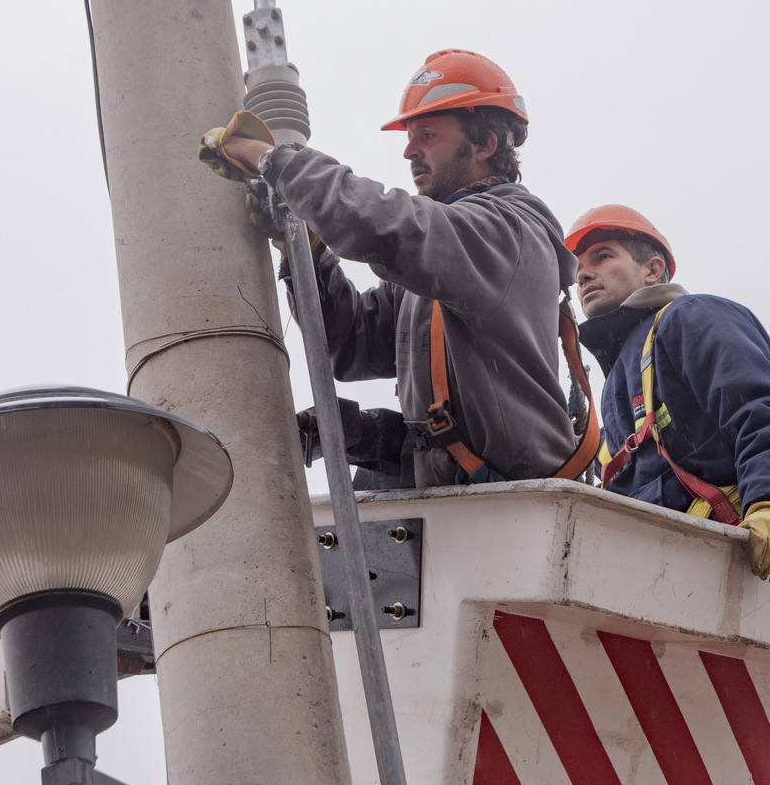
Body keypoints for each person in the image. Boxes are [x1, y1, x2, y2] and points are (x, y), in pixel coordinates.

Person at [199, 49, 597, 487]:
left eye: (427, 134)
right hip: (466, 509)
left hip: (520, 509)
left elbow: (389, 226)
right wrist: (306, 252)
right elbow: (352, 343)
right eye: (410, 136)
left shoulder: (509, 232)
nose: (410, 150)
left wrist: (272, 159)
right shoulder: (440, 264)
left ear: (486, 144)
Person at [567, 205, 770, 583]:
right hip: (651, 570)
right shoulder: (615, 383)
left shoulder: (689, 318)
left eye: (603, 256)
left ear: (653, 270)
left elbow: (761, 410)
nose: (583, 274)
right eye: (579, 267)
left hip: (724, 562)